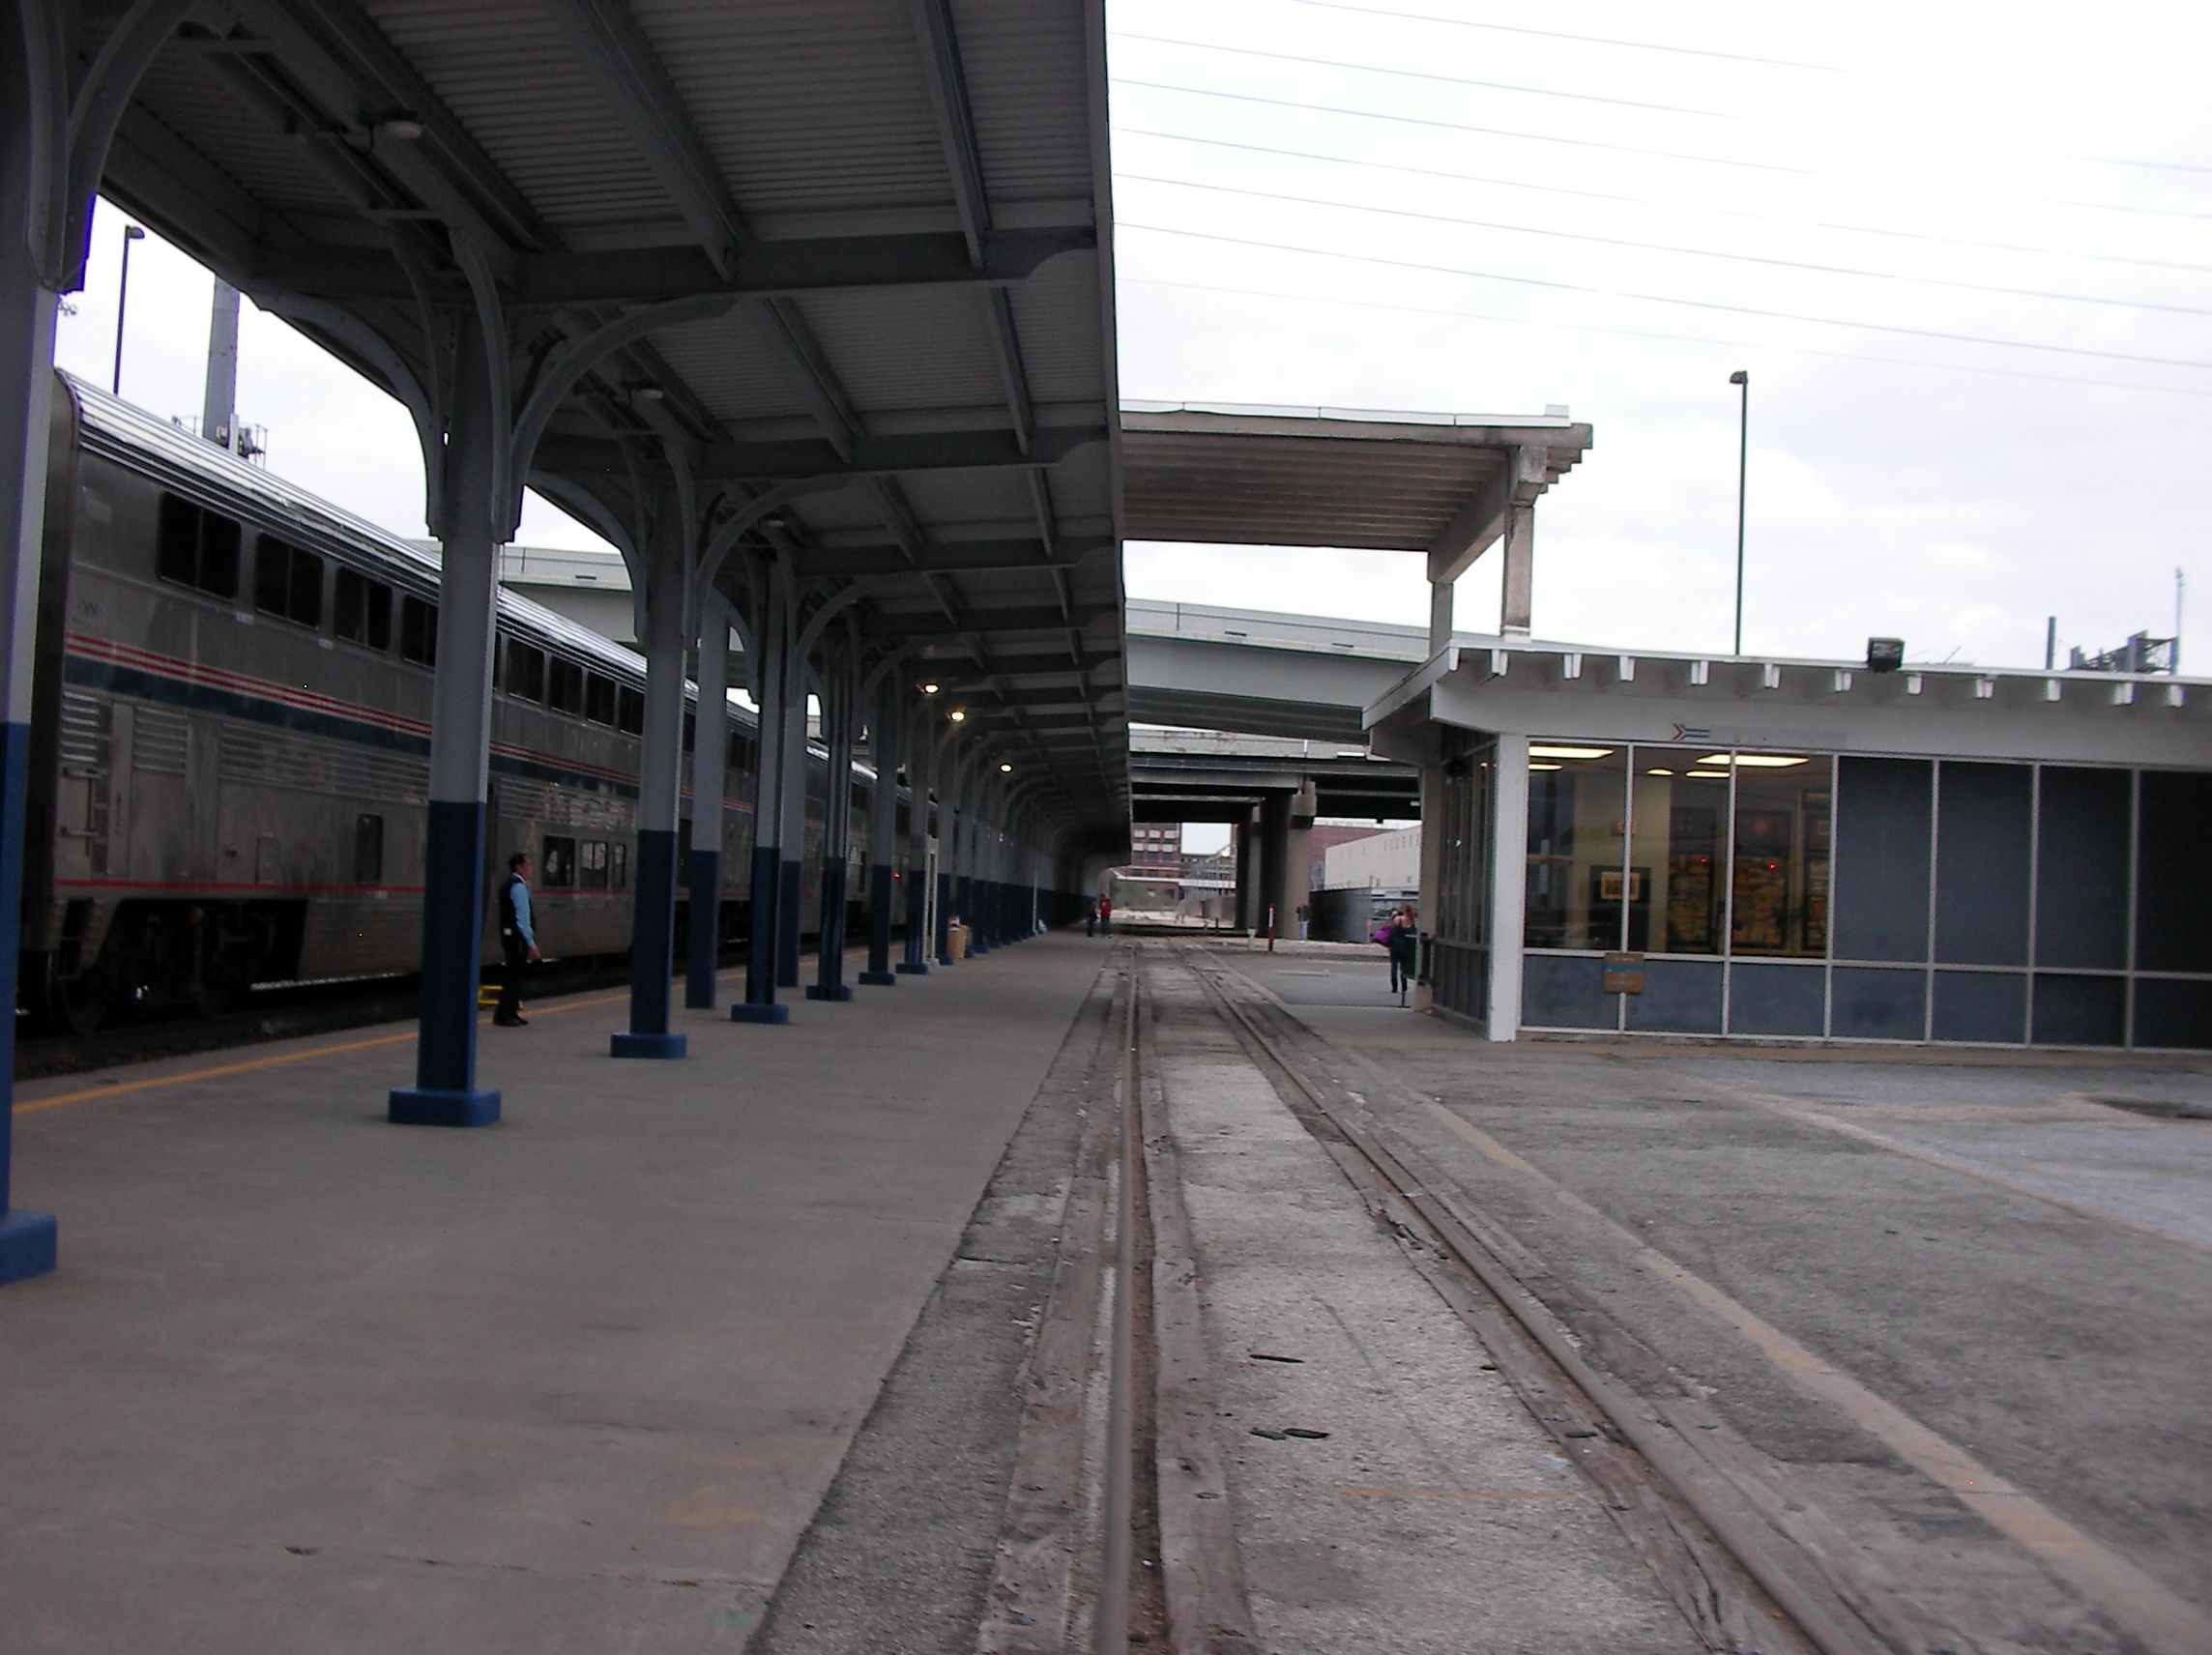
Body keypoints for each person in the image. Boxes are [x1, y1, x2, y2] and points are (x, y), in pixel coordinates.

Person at [494, 850, 540, 1027]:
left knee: (515, 976)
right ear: (519, 867)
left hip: (511, 937)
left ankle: (510, 1012)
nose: (531, 868)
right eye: (528, 865)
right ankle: (505, 1014)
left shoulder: (510, 884)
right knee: (515, 977)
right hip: (517, 939)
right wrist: (531, 943)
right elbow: (522, 918)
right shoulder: (518, 887)